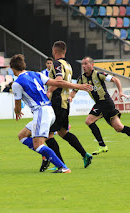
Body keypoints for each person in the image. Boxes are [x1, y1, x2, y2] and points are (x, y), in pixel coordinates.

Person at [11, 54, 92, 173]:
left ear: (13, 68)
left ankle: (62, 167)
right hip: (49, 110)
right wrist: (78, 86)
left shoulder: (16, 83)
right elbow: (58, 83)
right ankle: (46, 154)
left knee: (38, 145)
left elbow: (18, 108)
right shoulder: (37, 74)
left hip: (41, 112)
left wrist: (17, 111)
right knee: (22, 136)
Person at [68, 56, 130, 155]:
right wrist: (70, 97)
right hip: (101, 104)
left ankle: (102, 145)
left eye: (86, 63)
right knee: (119, 128)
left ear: (92, 65)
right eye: (83, 64)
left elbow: (116, 80)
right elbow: (74, 90)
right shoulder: (81, 78)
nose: (84, 66)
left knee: (89, 121)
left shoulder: (99, 75)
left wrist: (120, 92)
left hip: (105, 102)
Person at [43, 41, 92, 171]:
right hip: (65, 103)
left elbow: (59, 80)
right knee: (63, 132)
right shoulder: (68, 65)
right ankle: (85, 154)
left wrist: (49, 90)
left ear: (54, 52)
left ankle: (61, 165)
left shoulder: (57, 64)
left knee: (48, 135)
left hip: (58, 102)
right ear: (65, 51)